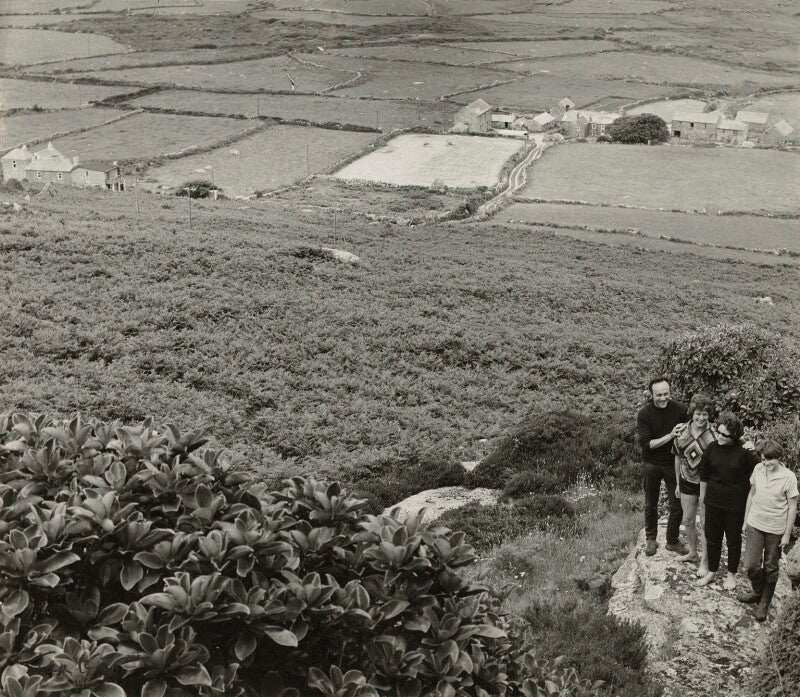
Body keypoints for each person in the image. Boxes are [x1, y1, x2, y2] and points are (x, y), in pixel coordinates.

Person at [697, 412, 759, 590]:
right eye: (718, 432)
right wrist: (703, 500)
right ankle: (712, 571)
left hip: (735, 506)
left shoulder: (744, 452)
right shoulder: (711, 448)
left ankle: (731, 575)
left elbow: (760, 470)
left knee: (733, 541)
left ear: (734, 436)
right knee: (712, 538)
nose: (719, 437)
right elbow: (704, 475)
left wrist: (754, 449)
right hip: (713, 502)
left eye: (724, 435)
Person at [738, 440, 798, 621]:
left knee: (771, 566)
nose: (765, 463)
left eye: (769, 460)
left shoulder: (788, 477)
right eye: (763, 459)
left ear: (779, 458)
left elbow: (792, 507)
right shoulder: (758, 469)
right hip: (755, 523)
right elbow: (751, 494)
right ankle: (757, 592)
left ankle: (765, 601)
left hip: (775, 529)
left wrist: (786, 535)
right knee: (750, 565)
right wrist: (745, 520)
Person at [637, 377, 688, 556]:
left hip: (674, 463)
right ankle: (651, 539)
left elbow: (692, 431)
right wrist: (671, 435)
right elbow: (647, 444)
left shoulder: (681, 410)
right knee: (650, 503)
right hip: (651, 464)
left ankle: (672, 541)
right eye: (659, 395)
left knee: (677, 504)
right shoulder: (645, 414)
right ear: (651, 395)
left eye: (666, 394)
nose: (663, 398)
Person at [672, 393, 716, 572]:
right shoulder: (682, 430)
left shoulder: (714, 433)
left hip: (707, 484)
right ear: (692, 412)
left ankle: (705, 562)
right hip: (686, 481)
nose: (701, 418)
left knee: (705, 524)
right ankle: (692, 553)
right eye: (698, 413)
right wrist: (677, 483)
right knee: (688, 519)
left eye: (705, 414)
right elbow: (677, 457)